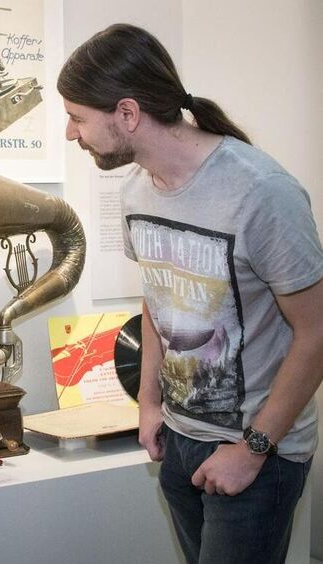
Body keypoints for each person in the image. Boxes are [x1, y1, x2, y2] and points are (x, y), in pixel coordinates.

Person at [58, 23, 323, 563]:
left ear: (128, 114)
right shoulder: (136, 192)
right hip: (179, 443)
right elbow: (156, 304)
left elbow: (317, 332)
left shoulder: (262, 193)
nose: (71, 133)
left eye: (78, 118)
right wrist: (151, 404)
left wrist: (251, 451)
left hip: (258, 453)